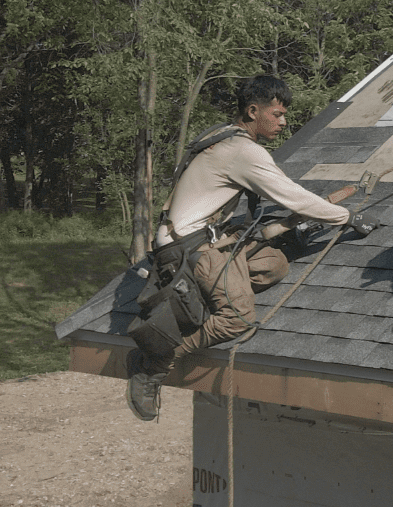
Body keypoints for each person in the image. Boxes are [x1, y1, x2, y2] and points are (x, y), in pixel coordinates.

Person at [126, 76, 379, 420]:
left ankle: (200, 296)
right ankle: (155, 362)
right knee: (238, 318)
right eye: (277, 114)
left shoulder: (225, 139)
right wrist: (346, 217)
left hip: (201, 238)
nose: (284, 122)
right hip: (189, 248)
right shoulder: (243, 151)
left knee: (273, 264)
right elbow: (293, 195)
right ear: (253, 111)